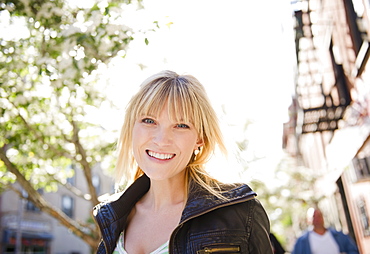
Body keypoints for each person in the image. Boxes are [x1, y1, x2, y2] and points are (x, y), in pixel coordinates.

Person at [93, 70, 273, 254]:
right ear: (131, 129)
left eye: (181, 125)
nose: (162, 140)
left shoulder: (240, 213)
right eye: (149, 121)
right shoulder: (112, 217)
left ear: (200, 139)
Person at [291, 208, 359, 254]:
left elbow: (353, 251)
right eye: (314, 217)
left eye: (319, 216)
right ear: (308, 220)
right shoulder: (302, 242)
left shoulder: (339, 235)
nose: (317, 219)